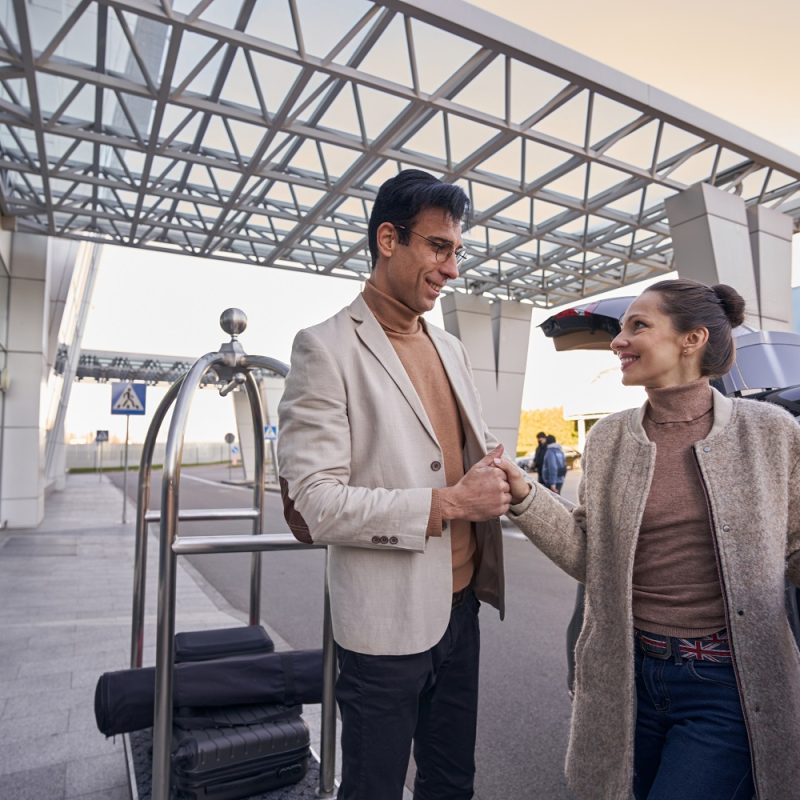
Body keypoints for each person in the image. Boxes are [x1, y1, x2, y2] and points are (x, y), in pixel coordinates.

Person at [497, 278, 800, 800]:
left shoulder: (770, 432)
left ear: (692, 338)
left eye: (638, 326)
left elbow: (793, 548)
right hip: (626, 676)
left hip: (728, 683)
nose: (618, 341)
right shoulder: (609, 438)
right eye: (620, 329)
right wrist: (524, 493)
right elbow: (591, 557)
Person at [277, 169, 511, 800]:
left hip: (463, 611)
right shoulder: (324, 348)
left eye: (458, 251)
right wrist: (450, 502)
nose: (452, 268)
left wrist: (495, 473)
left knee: (451, 782)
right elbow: (313, 504)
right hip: (384, 628)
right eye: (439, 247)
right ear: (388, 238)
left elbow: (465, 451)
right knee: (373, 788)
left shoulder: (451, 348)